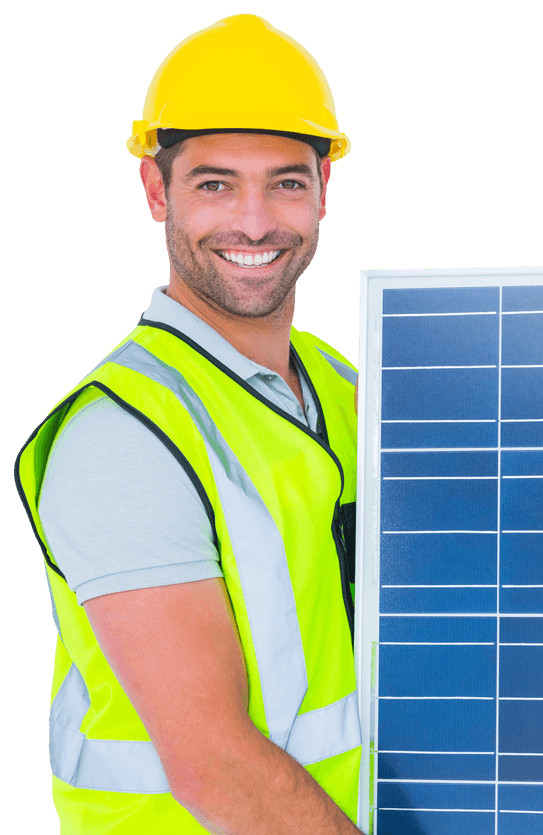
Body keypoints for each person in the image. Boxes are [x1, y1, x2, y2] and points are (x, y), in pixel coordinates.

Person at [14, 14, 365, 834]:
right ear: (155, 190)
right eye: (214, 183)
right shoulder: (122, 435)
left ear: (322, 193)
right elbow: (215, 763)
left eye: (284, 180)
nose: (253, 222)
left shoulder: (348, 384)